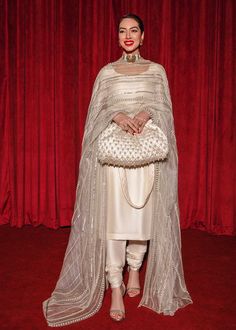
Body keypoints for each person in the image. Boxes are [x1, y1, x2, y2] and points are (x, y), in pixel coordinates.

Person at [42, 13, 192, 326]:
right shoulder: (107, 73)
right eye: (122, 31)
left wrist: (145, 113)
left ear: (143, 36)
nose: (128, 35)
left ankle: (135, 267)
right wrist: (116, 115)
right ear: (117, 36)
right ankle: (114, 285)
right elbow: (94, 115)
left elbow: (165, 111)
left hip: (146, 156)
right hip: (114, 159)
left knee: (142, 218)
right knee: (114, 222)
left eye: (133, 30)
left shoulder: (156, 71)